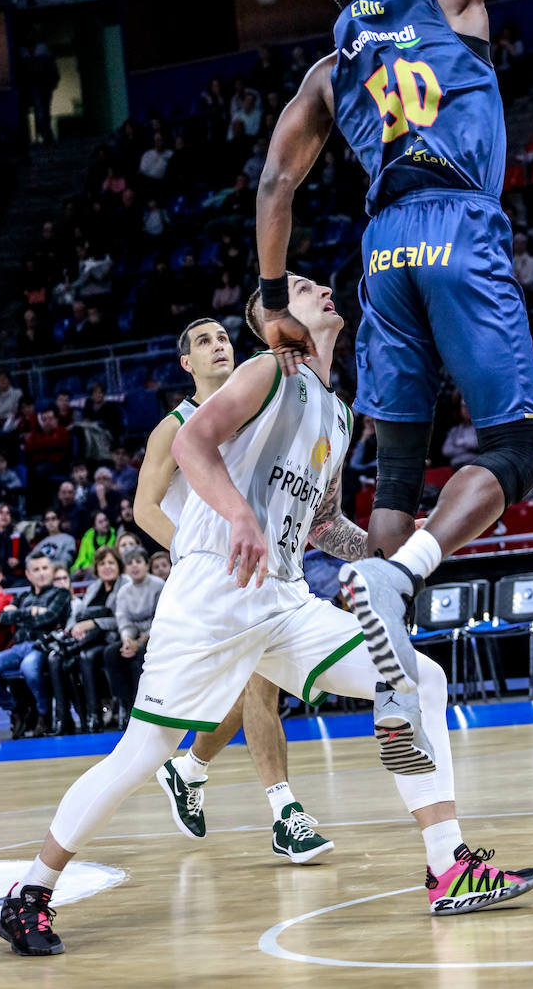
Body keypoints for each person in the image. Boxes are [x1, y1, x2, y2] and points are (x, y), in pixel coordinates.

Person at [0, 279, 533, 957]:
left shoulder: (340, 416)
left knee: (417, 677)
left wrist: (387, 549)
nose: (324, 290)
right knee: (142, 752)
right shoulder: (267, 371)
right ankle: (32, 892)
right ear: (276, 319)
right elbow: (194, 441)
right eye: (307, 288)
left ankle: (448, 866)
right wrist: (239, 518)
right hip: (212, 591)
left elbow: (322, 524)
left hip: (283, 597)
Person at [254, 0, 533, 693]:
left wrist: (275, 297)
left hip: (383, 249)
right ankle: (402, 573)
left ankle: (392, 665)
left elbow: (276, 185)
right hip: (456, 222)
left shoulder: (327, 70)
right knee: (516, 449)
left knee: (397, 465)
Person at [134, 315, 332, 858]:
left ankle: (201, 773)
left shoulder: (262, 406)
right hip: (211, 582)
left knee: (254, 691)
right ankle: (275, 807)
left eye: (223, 337)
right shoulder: (175, 426)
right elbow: (143, 508)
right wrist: (200, 553)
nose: (218, 346)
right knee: (246, 694)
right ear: (186, 363)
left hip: (264, 575)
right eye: (203, 341)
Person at [0, 551, 70, 738]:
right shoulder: (23, 596)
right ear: (28, 574)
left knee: (29, 668)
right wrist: (32, 611)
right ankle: (17, 708)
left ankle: (43, 714)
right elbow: (4, 617)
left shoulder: (61, 593)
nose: (41, 573)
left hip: (42, 645)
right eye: (36, 569)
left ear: (52, 570)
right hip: (18, 646)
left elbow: (50, 617)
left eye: (45, 568)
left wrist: (20, 613)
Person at [47, 546, 125, 735]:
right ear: (97, 568)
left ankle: (95, 715)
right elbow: (80, 615)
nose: (106, 567)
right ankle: (77, 717)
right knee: (61, 657)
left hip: (113, 638)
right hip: (90, 639)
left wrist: (92, 623)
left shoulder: (125, 585)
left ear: (118, 565)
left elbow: (121, 619)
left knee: (86, 656)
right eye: (102, 563)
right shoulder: (93, 587)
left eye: (111, 563)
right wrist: (74, 630)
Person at [103, 546, 163, 726]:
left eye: (138, 561)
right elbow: (123, 619)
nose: (134, 566)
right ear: (125, 568)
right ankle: (124, 704)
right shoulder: (123, 591)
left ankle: (144, 708)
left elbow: (160, 619)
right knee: (111, 653)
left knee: (140, 656)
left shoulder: (158, 585)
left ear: (146, 564)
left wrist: (140, 641)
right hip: (134, 638)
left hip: (156, 636)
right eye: (129, 563)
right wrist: (127, 640)